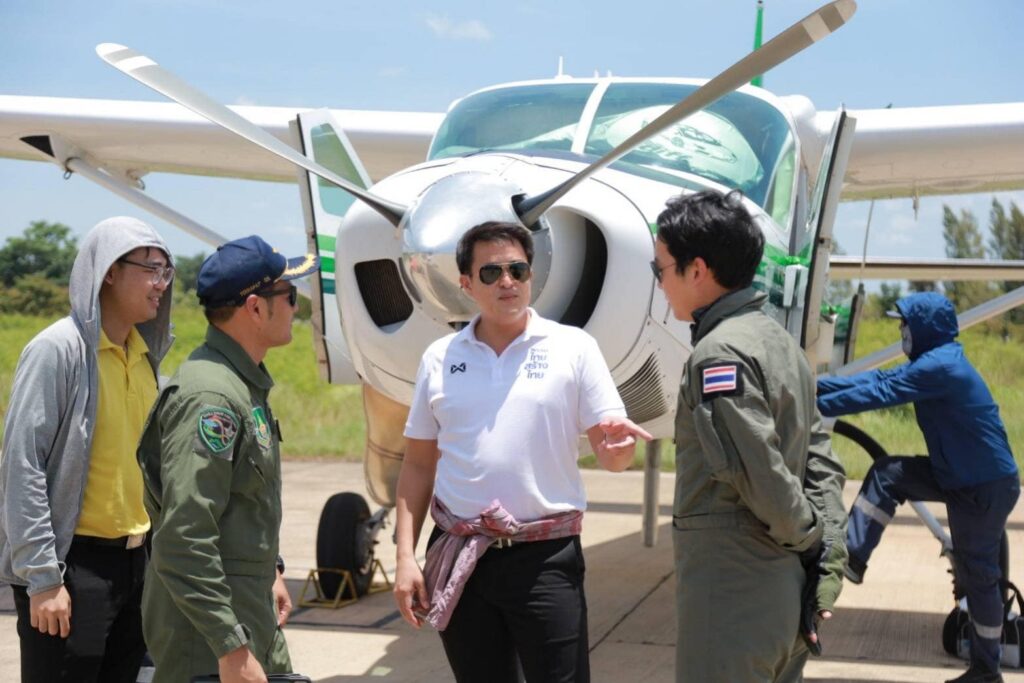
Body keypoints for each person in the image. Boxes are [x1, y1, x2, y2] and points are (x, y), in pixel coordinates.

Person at [393, 220, 652, 683]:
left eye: (518, 269)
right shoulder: (439, 357)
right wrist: (405, 558)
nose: (507, 281)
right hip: (461, 552)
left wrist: (619, 449)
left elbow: (613, 457)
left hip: (545, 559)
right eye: (491, 272)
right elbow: (417, 464)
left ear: (531, 275)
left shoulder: (574, 347)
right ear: (466, 284)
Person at [654, 190, 848, 682]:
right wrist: (826, 554)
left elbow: (761, 473)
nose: (659, 283)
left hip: (733, 599)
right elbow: (821, 462)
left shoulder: (719, 354)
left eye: (661, 269)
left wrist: (809, 539)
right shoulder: (781, 344)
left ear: (697, 270)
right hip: (783, 598)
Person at [136, 235, 318, 683]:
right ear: (255, 308)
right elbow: (184, 537)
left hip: (244, 612)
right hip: (208, 638)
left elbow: (241, 505)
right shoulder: (211, 397)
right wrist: (230, 646)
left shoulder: (240, 384)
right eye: (289, 296)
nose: (296, 307)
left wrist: (269, 571)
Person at [0, 217, 173, 681]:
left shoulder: (145, 358)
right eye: (151, 269)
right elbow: (23, 465)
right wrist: (43, 578)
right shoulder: (57, 350)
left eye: (166, 271)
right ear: (109, 271)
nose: (161, 284)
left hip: (136, 567)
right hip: (72, 569)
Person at [817, 291, 1019, 683]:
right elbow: (880, 378)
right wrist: (814, 389)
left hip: (982, 486)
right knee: (889, 474)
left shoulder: (942, 366)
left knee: (978, 576)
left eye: (905, 324)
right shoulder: (933, 360)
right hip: (956, 474)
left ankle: (986, 670)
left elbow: (879, 393)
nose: (901, 331)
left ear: (924, 327)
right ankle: (853, 556)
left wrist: (811, 403)